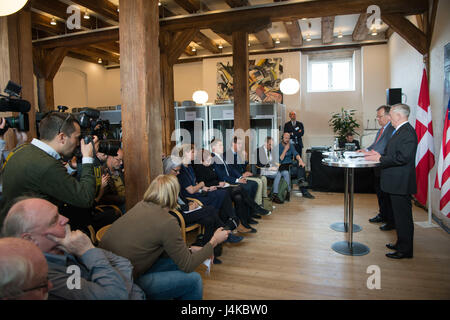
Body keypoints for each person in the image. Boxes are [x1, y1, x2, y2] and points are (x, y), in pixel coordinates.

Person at [99, 174, 230, 300]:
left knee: (176, 263)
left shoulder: (140, 206)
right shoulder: (167, 221)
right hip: (125, 282)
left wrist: (191, 250)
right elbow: (188, 265)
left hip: (106, 272)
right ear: (174, 195)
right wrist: (213, 241)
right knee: (194, 280)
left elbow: (154, 246)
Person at [2, 196, 146, 300]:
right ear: (29, 239)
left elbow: (124, 264)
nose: (65, 219)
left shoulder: (67, 242)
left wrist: (114, 286)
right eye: (54, 221)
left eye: (58, 213)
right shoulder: (44, 275)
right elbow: (116, 296)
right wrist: (88, 251)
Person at [0, 112, 97, 230]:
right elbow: (85, 198)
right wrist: (88, 157)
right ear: (62, 137)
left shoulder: (21, 150)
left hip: (12, 225)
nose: (78, 143)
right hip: (31, 233)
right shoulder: (47, 165)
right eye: (77, 138)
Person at [163, 156, 242, 264]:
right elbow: (167, 205)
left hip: (184, 209)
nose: (178, 173)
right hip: (177, 214)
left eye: (179, 170)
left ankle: (206, 252)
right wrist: (186, 207)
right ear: (168, 169)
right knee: (210, 209)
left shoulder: (174, 179)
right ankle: (224, 233)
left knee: (209, 219)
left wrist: (190, 203)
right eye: (176, 170)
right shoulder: (164, 183)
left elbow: (181, 197)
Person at [365, 104, 418, 259]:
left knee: (403, 218)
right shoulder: (399, 131)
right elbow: (392, 152)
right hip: (395, 182)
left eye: (392, 115)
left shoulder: (407, 132)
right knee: (399, 217)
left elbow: (403, 157)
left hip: (400, 182)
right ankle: (400, 244)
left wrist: (380, 158)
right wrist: (377, 154)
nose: (390, 118)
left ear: (399, 116)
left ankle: (405, 250)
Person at [194, 149, 265, 233]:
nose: (210, 161)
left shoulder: (209, 166)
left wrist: (219, 183)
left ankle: (243, 223)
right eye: (208, 160)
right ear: (201, 160)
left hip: (219, 186)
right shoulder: (199, 168)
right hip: (213, 190)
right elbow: (203, 184)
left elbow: (216, 178)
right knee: (239, 189)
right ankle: (254, 208)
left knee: (238, 197)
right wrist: (215, 185)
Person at [358, 105, 395, 230]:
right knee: (380, 193)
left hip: (384, 166)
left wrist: (368, 153)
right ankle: (382, 214)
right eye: (377, 117)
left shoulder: (391, 129)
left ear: (388, 116)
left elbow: (383, 147)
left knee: (386, 195)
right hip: (377, 167)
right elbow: (375, 144)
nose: (378, 119)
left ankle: (390, 220)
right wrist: (366, 149)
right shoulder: (381, 130)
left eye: (380, 117)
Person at [228, 136, 270, 208]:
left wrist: (246, 159)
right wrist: (241, 175)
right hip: (237, 177)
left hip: (243, 174)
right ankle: (257, 206)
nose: (241, 146)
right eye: (239, 144)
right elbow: (231, 169)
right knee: (259, 181)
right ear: (233, 144)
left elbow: (242, 167)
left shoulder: (238, 154)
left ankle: (265, 203)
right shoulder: (228, 154)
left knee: (263, 178)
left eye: (241, 144)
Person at [272, 133, 314, 203]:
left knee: (301, 164)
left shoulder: (290, 145)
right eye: (286, 138)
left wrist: (300, 160)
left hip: (290, 164)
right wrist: (285, 149)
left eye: (288, 138)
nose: (287, 139)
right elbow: (280, 159)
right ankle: (304, 189)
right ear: (282, 138)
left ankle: (301, 181)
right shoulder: (278, 147)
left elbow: (295, 153)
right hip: (282, 166)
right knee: (299, 170)